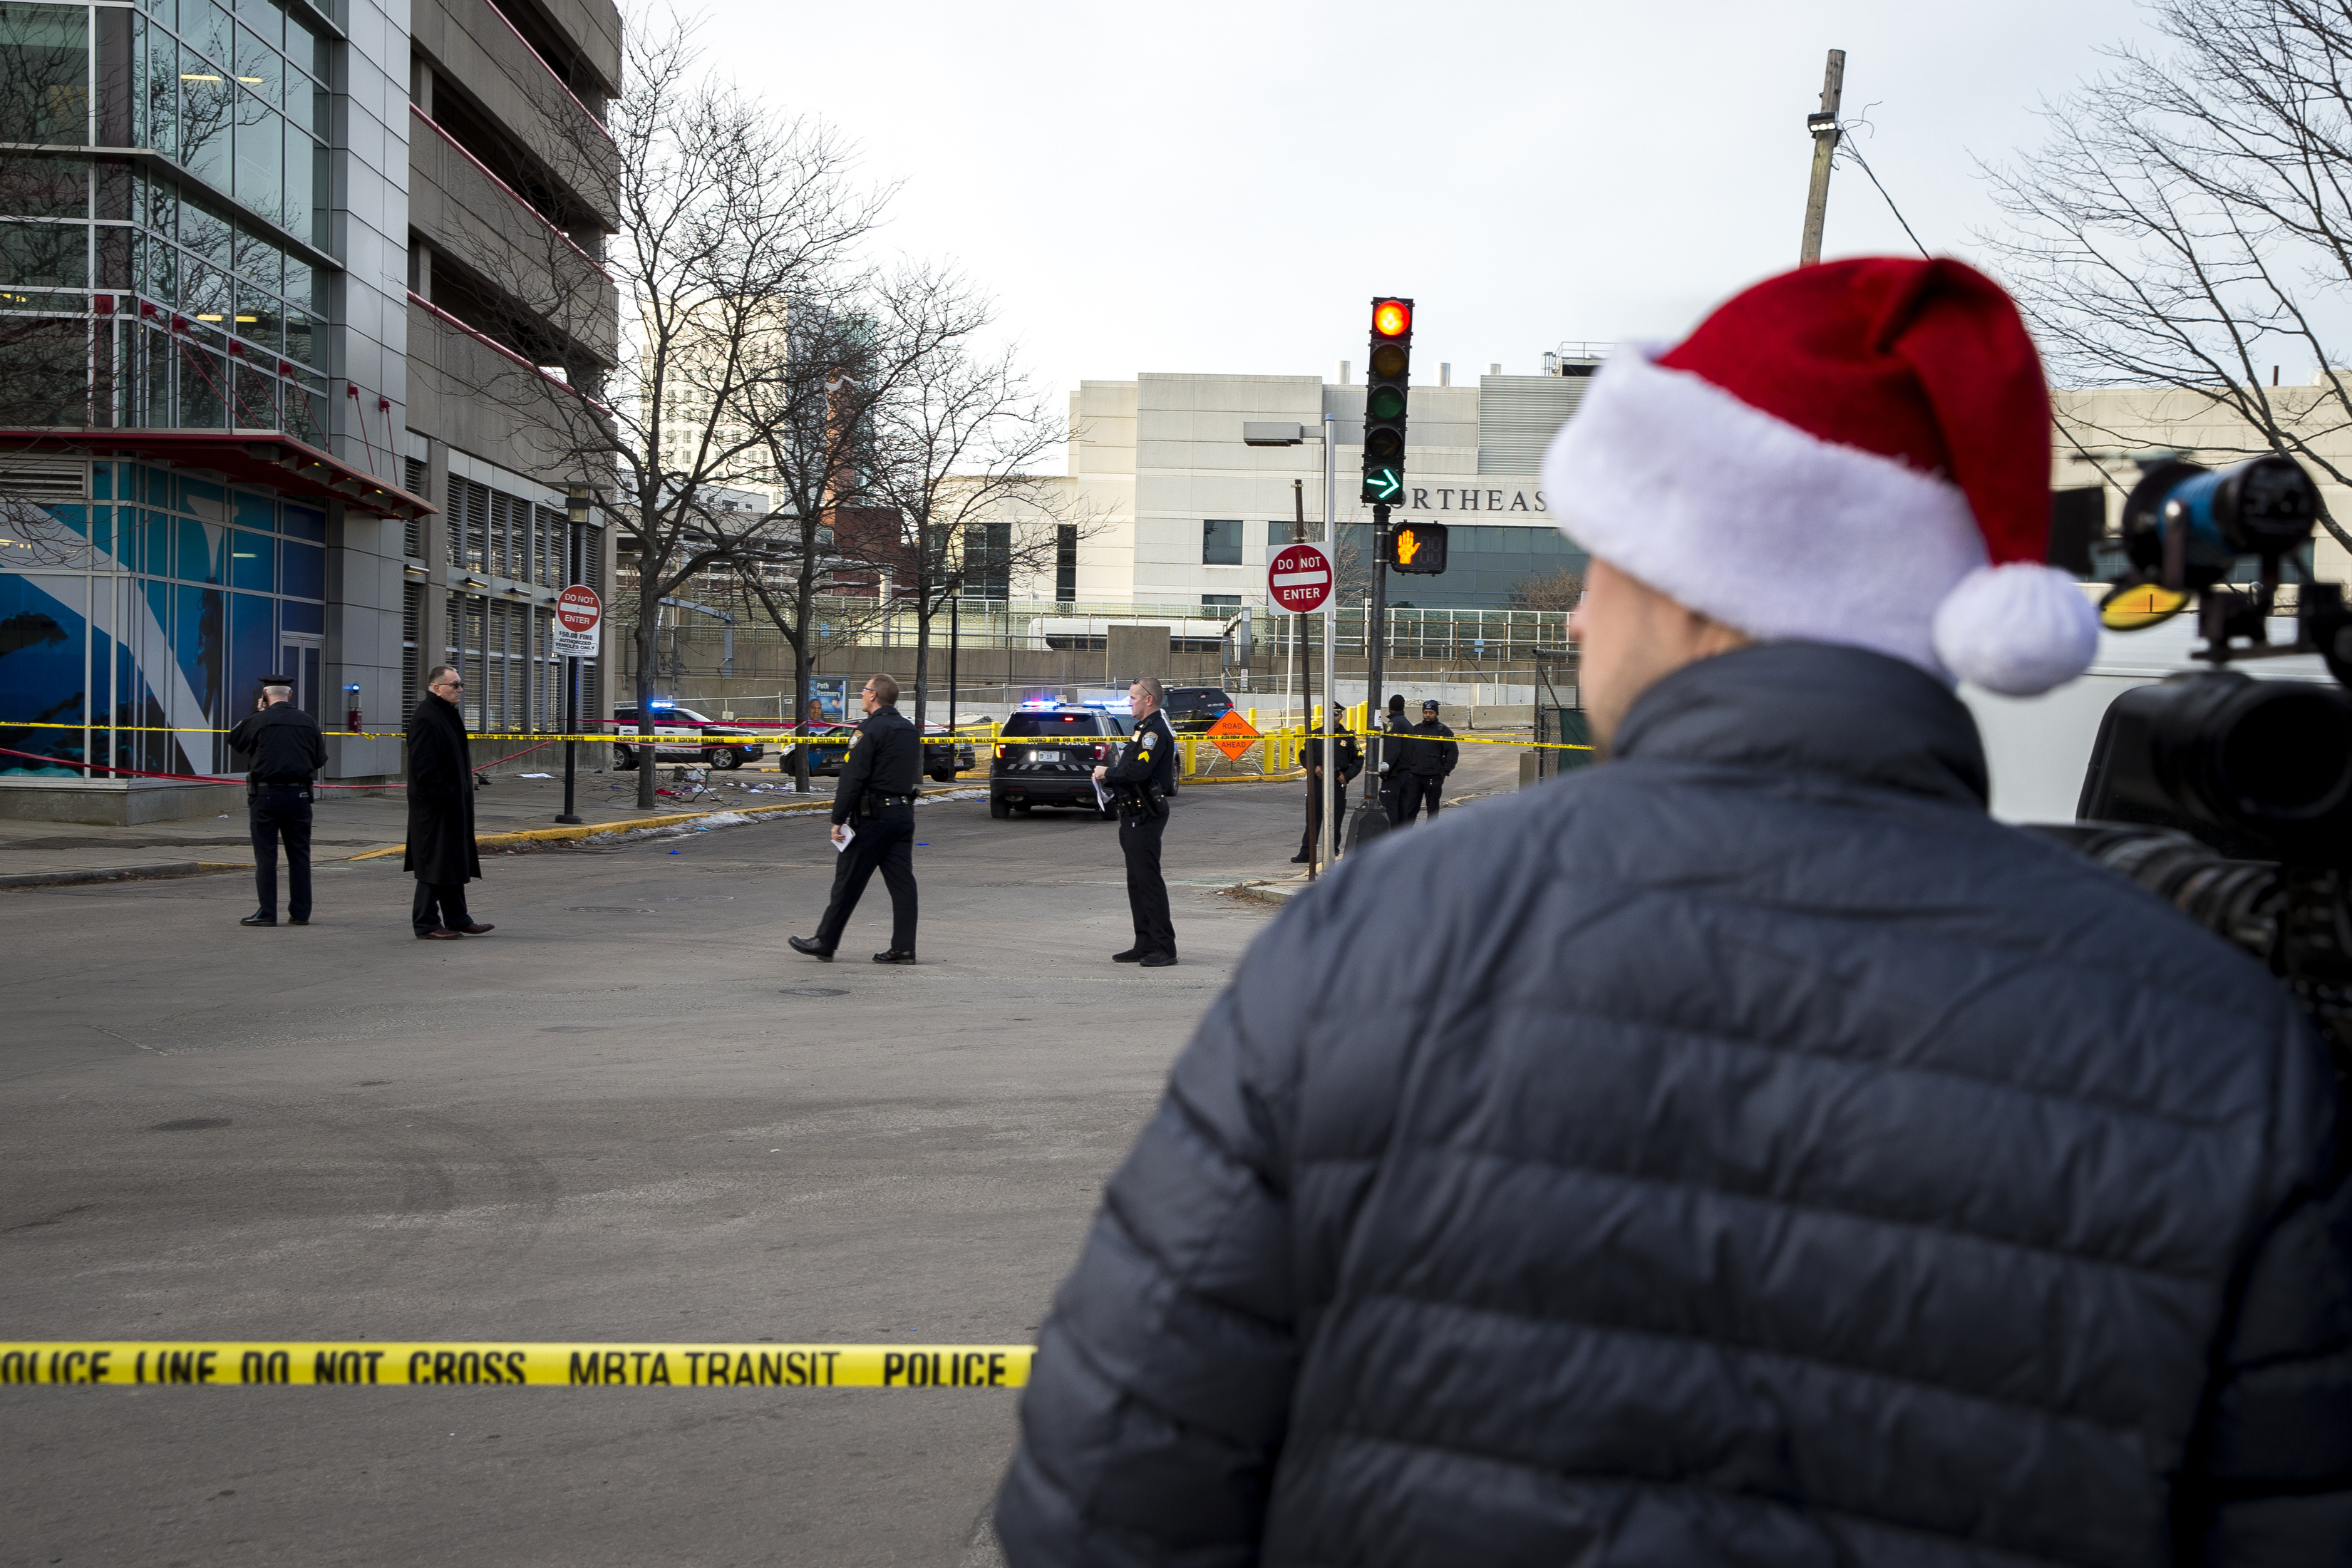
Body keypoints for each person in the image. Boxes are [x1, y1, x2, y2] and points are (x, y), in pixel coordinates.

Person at [994, 259, 2352, 1564]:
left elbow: (1111, 1491)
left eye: (1604, 567)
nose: (1580, 623)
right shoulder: (2226, 1041)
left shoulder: (1382, 933)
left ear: (1706, 587)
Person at [790, 674, 919, 964]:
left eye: (865, 690)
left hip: (872, 818)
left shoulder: (869, 729)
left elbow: (853, 776)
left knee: (847, 881)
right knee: (903, 884)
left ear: (874, 695)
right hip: (902, 813)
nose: (862, 694)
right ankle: (904, 948)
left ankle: (825, 941)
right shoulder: (909, 729)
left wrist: (838, 819)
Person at [226, 675, 326, 927]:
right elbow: (319, 759)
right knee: (300, 855)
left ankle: (268, 913)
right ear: (290, 695)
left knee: (267, 857)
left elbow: (235, 740)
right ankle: (301, 913)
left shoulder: (258, 720)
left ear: (265, 696)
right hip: (299, 796)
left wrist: (256, 712)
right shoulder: (308, 721)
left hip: (266, 796)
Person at [1093, 676, 1176, 966]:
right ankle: (1144, 942)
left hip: (1146, 814)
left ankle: (1164, 948)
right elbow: (1130, 766)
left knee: (1149, 881)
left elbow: (1138, 772)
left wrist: (1107, 773)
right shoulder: (1143, 730)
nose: (1129, 702)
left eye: (1133, 698)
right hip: (1132, 812)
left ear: (1148, 699)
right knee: (1136, 882)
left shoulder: (1155, 732)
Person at [405, 664, 490, 940]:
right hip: (435, 808)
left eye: (460, 684)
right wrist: (447, 794)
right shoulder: (426, 718)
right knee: (434, 863)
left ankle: (458, 917)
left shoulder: (447, 715)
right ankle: (426, 922)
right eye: (454, 685)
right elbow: (423, 769)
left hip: (454, 805)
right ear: (436, 688)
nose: (460, 689)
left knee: (453, 860)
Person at [1291, 721, 1359, 865]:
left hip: (1337, 782)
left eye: (1337, 714)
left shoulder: (1348, 737)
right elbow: (1304, 755)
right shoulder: (1315, 734)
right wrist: (1313, 767)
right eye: (1332, 714)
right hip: (1317, 782)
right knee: (1312, 819)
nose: (1334, 718)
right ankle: (1306, 853)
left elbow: (1359, 759)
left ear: (1341, 716)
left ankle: (1332, 851)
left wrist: (1346, 776)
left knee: (1335, 820)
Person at [1396, 697, 1458, 824]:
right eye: (1425, 713)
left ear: (1437, 714)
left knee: (1432, 811)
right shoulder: (1416, 729)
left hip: (1433, 777)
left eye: (1431, 713)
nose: (1428, 715)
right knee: (1410, 809)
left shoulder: (1444, 732)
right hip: (1415, 776)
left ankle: (1431, 840)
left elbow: (1452, 753)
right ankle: (1407, 838)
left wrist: (1444, 771)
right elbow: (1407, 750)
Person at [1376, 692, 1416, 825]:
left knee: (1389, 809)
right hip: (1406, 773)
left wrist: (1384, 771)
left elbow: (1393, 750)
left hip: (1394, 774)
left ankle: (1391, 841)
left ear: (1390, 708)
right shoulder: (1408, 724)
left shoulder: (1394, 724)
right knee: (1402, 810)